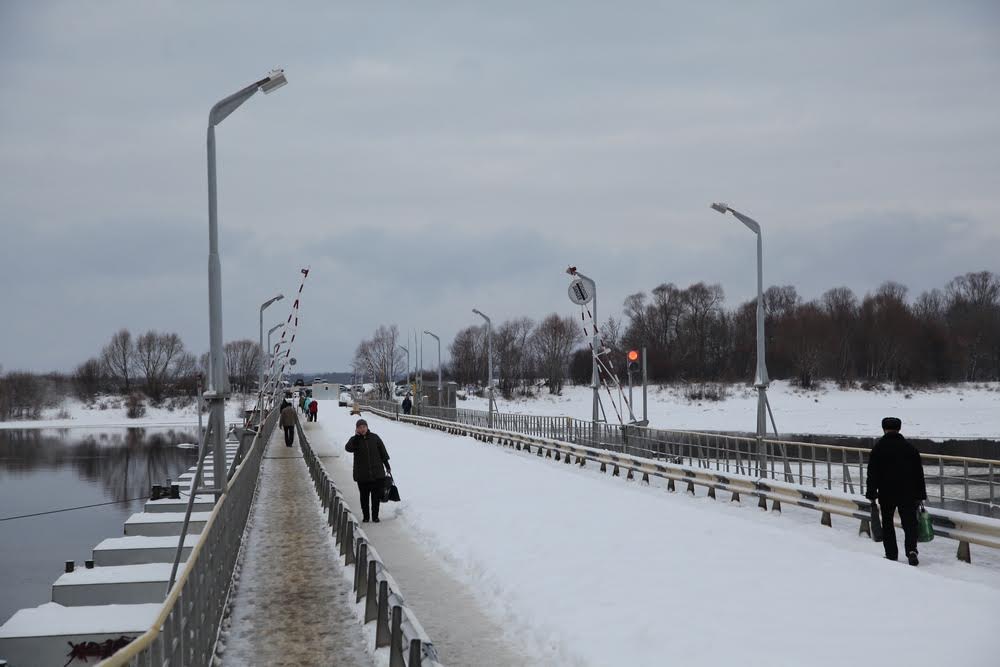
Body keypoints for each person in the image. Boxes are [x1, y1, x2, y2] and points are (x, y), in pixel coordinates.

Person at [865, 417, 927, 565]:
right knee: (909, 523)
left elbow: (872, 474)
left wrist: (872, 494)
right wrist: (920, 495)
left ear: (884, 429)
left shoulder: (878, 448)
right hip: (908, 492)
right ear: (899, 429)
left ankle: (891, 553)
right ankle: (911, 550)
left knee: (887, 523)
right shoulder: (910, 448)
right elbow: (919, 474)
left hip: (887, 492)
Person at [345, 419, 391, 523]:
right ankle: (366, 516)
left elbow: (383, 452)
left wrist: (387, 465)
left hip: (377, 474)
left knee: (376, 497)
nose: (362, 429)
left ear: (367, 427)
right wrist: (356, 437)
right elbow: (348, 448)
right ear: (356, 429)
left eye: (364, 427)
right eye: (360, 427)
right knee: (364, 498)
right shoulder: (354, 439)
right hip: (362, 475)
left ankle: (375, 516)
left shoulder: (375, 437)